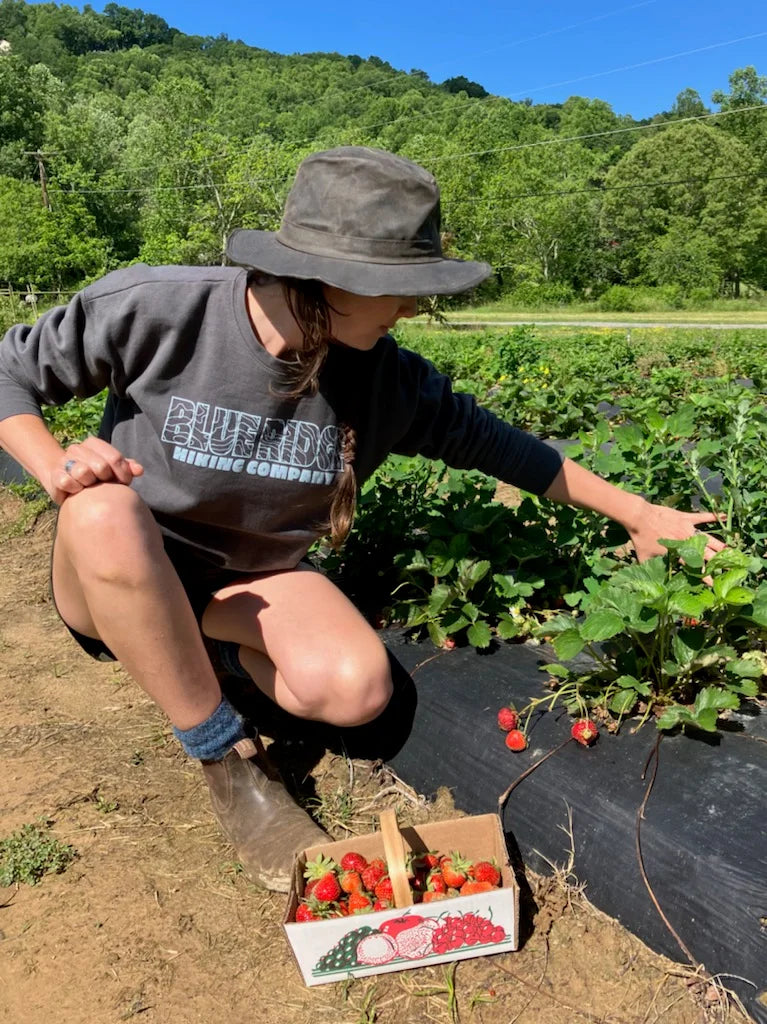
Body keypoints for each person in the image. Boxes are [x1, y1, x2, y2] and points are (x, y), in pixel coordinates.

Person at [0, 146, 724, 893]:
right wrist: (56, 465)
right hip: (112, 570)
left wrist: (639, 513)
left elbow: (504, 448)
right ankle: (227, 757)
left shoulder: (385, 379)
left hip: (242, 584)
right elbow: (9, 372)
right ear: (330, 278)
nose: (413, 308)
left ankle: (189, 650)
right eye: (401, 289)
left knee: (354, 689)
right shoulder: (158, 307)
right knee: (104, 510)